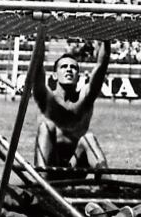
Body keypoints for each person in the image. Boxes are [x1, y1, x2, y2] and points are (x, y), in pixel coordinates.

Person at [32, 40, 112, 179]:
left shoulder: (85, 98)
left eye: (73, 67)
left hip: (74, 167)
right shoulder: (46, 98)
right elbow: (37, 66)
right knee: (46, 127)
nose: (68, 69)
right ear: (55, 75)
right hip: (49, 167)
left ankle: (108, 184)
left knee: (88, 138)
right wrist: (41, 35)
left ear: (78, 76)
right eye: (63, 67)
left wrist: (106, 40)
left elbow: (102, 65)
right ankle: (41, 184)